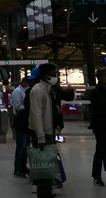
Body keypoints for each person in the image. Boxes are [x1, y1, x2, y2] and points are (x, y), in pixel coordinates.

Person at [28, 63, 59, 198]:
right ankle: (43, 192)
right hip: (41, 133)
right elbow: (36, 114)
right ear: (45, 75)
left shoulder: (49, 89)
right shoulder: (37, 90)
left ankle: (47, 190)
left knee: (48, 162)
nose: (55, 76)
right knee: (42, 163)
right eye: (52, 73)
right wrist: (40, 136)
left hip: (48, 131)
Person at [12, 77, 30, 177]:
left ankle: (23, 166)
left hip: (26, 121)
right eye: (27, 82)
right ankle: (18, 168)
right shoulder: (17, 92)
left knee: (26, 146)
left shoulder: (27, 91)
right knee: (21, 146)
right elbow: (17, 106)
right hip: (20, 121)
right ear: (23, 82)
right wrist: (28, 109)